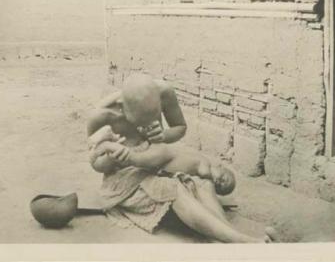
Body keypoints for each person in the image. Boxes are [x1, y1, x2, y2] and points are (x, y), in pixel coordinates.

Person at [87, 73, 278, 243]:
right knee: (174, 189)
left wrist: (163, 135)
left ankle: (227, 236)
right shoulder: (102, 116)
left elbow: (179, 129)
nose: (144, 129)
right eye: (139, 122)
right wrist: (117, 157)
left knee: (202, 182)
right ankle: (244, 242)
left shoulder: (164, 92)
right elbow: (97, 162)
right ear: (122, 106)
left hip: (158, 162)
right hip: (127, 177)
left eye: (152, 119)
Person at [88, 125, 236, 196]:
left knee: (122, 161)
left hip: (161, 164)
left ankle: (107, 145)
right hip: (164, 157)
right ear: (220, 166)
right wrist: (209, 180)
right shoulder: (206, 163)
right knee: (126, 157)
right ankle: (106, 145)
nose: (219, 183)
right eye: (223, 179)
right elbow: (204, 173)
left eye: (220, 188)